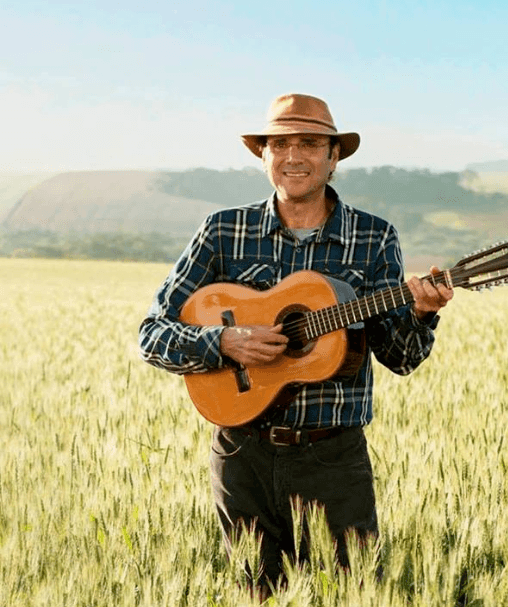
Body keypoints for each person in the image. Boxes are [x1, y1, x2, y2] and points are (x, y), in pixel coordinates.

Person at [138, 93, 452, 597]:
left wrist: (421, 312)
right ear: (263, 155)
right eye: (280, 144)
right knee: (256, 594)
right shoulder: (222, 231)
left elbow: (401, 357)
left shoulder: (374, 237)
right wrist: (224, 341)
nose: (293, 157)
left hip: (333, 458)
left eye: (309, 144)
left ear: (333, 156)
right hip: (241, 454)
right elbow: (153, 334)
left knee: (350, 594)